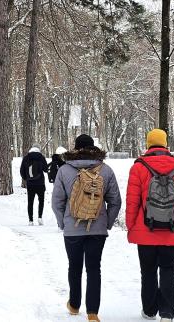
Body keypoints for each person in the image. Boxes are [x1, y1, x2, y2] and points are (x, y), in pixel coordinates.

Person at [126, 129, 174, 322]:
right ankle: (166, 313)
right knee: (169, 270)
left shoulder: (138, 167)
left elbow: (132, 202)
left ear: (148, 144)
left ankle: (149, 311)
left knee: (147, 271)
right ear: (165, 145)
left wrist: (131, 226)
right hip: (171, 229)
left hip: (145, 230)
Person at [52, 134, 121, 322]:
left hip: (72, 229)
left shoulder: (64, 170)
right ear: (94, 148)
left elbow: (57, 201)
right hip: (97, 230)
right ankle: (92, 312)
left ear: (75, 148)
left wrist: (63, 223)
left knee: (74, 266)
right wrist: (106, 223)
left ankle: (74, 305)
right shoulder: (106, 170)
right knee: (93, 268)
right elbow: (115, 201)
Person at [20, 145, 49, 225]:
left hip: (30, 184)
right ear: (38, 149)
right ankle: (40, 218)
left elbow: (22, 171)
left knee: (30, 202)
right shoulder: (41, 157)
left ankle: (30, 220)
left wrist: (27, 179)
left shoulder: (26, 158)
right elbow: (46, 169)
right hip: (40, 183)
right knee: (41, 201)